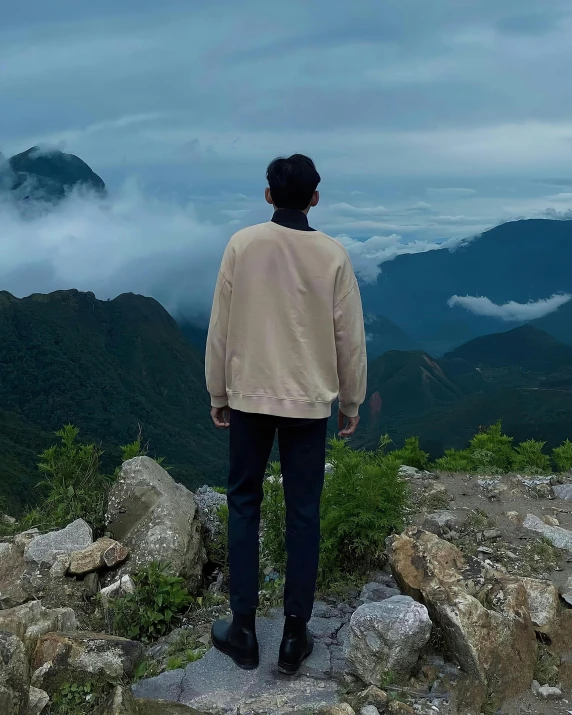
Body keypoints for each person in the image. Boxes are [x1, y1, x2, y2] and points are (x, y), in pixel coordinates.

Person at [205, 153, 367, 673]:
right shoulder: (333, 255)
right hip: (308, 402)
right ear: (315, 197)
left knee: (243, 505)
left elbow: (220, 327)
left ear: (269, 195)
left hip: (250, 396)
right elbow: (350, 337)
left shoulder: (242, 245)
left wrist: (217, 392)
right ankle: (295, 637)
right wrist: (350, 400)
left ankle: (244, 631)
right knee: (303, 513)